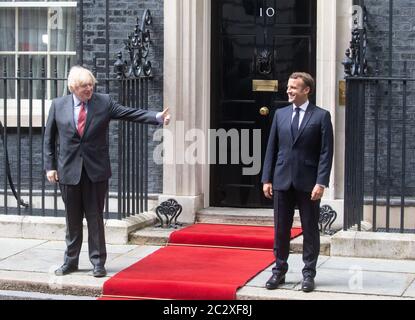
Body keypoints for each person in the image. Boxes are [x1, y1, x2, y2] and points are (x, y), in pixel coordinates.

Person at [44, 66, 170, 277]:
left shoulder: (103, 102)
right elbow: (49, 139)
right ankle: (71, 261)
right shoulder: (58, 105)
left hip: (95, 171)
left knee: (95, 218)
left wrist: (156, 116)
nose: (89, 89)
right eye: (85, 86)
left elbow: (129, 113)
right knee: (72, 220)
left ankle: (98, 262)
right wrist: (50, 167)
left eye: (91, 84)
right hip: (68, 172)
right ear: (73, 87)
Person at [261, 72, 333, 292]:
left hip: (308, 183)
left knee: (310, 229)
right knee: (281, 229)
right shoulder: (280, 115)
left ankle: (308, 274)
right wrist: (267, 178)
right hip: (282, 180)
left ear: (306, 90)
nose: (289, 90)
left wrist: (321, 182)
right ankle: (279, 271)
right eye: (289, 87)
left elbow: (325, 152)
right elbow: (271, 148)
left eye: (294, 87)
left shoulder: (321, 116)